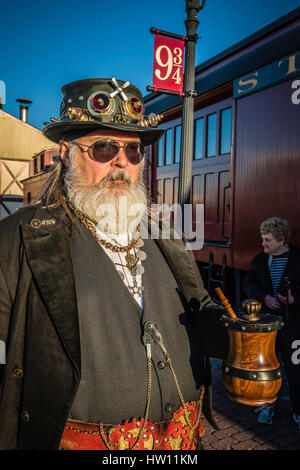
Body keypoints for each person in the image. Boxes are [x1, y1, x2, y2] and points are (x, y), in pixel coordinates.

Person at [0, 78, 228, 450]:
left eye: (134, 150)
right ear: (66, 152)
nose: (122, 161)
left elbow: (197, 309)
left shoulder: (167, 236)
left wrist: (234, 335)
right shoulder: (17, 241)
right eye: (104, 148)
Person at [243, 217, 300, 428]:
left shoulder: (298, 259)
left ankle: (298, 410)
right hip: (267, 327)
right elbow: (249, 285)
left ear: (281, 240)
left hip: (294, 327)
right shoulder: (259, 260)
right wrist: (264, 297)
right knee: (265, 368)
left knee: (296, 370)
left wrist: (294, 301)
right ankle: (266, 406)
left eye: (267, 240)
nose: (263, 244)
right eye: (263, 239)